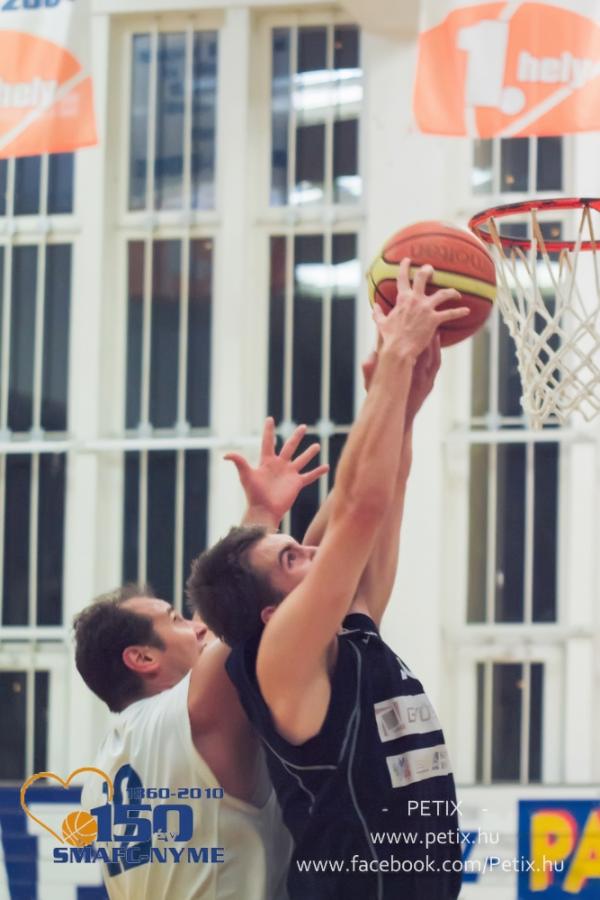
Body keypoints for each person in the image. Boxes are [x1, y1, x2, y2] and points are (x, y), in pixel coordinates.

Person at [187, 260, 469, 900]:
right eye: (291, 558)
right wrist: (393, 362)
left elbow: (379, 493)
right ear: (269, 614)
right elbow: (358, 510)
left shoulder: (350, 630)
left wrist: (403, 404)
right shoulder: (282, 661)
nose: (312, 550)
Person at [73, 421, 329, 900]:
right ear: (142, 657)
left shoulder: (106, 767)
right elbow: (237, 614)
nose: (195, 627)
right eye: (175, 619)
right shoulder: (191, 713)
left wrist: (262, 513)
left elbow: (217, 623)